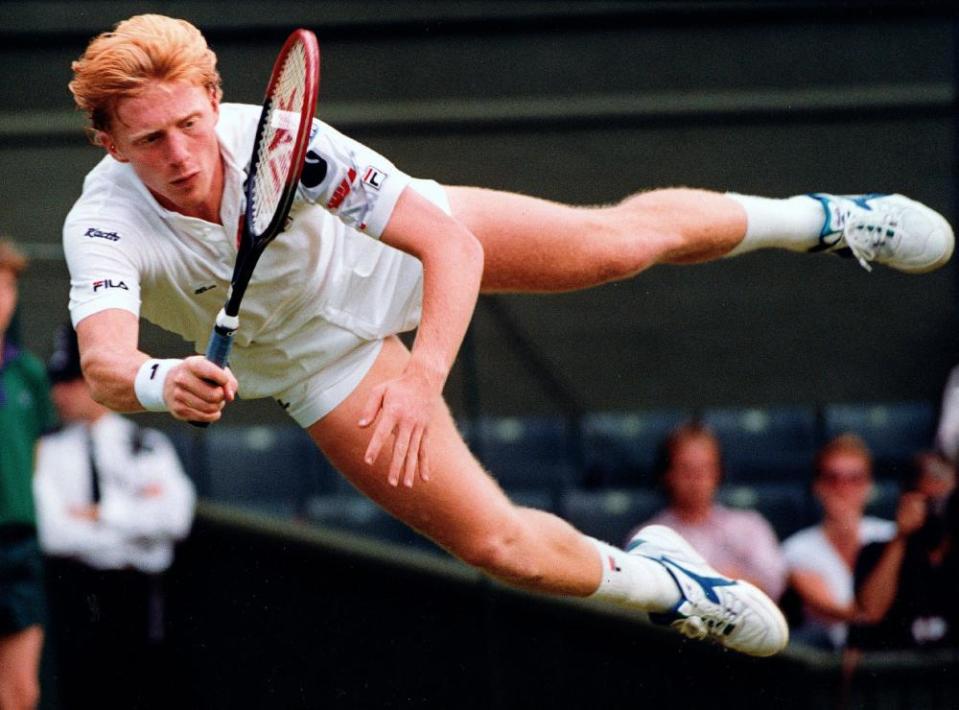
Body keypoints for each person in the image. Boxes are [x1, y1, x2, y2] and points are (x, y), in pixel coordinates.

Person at [62, 15, 955, 658]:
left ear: (213, 98)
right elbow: (105, 362)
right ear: (107, 142)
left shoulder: (285, 141)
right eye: (149, 139)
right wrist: (157, 382)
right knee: (499, 548)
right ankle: (669, 584)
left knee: (614, 245)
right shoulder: (102, 222)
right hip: (316, 365)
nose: (181, 154)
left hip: (389, 262)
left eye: (190, 123)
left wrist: (425, 379)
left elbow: (448, 243)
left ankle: (824, 218)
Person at [33, 323, 195, 709]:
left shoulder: (142, 444)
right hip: (78, 597)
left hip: (140, 597)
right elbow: (56, 534)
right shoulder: (49, 450)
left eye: (71, 382)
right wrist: (139, 527)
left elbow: (176, 516)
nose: (59, 394)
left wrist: (100, 514)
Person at [628, 422, 787, 600]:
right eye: (686, 469)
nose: (696, 480)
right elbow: (640, 594)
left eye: (704, 469)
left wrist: (731, 581)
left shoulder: (749, 525)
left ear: (718, 472)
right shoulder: (649, 537)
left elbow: (774, 584)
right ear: (668, 474)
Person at [0, 238, 57, 710]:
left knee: (22, 693)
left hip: (18, 549)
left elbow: (35, 459)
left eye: (8, 286)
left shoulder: (30, 376)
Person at [782, 434, 897, 651]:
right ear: (818, 486)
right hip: (830, 664)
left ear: (868, 485)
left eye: (854, 479)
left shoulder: (892, 535)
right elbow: (856, 614)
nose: (843, 489)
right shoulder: (796, 549)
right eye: (832, 478)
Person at [848, 452, 958, 651]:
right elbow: (871, 612)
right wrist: (900, 537)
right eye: (931, 502)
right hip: (897, 671)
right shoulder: (876, 552)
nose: (939, 511)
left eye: (946, 501)